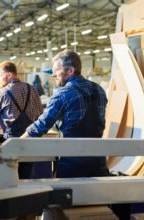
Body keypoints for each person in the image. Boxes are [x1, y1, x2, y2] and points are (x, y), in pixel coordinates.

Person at [21, 50, 109, 178]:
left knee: (67, 197)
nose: (53, 75)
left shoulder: (63, 94)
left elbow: (41, 125)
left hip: (73, 162)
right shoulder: (99, 90)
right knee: (95, 197)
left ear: (70, 71)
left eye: (56, 70)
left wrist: (17, 143)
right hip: (98, 162)